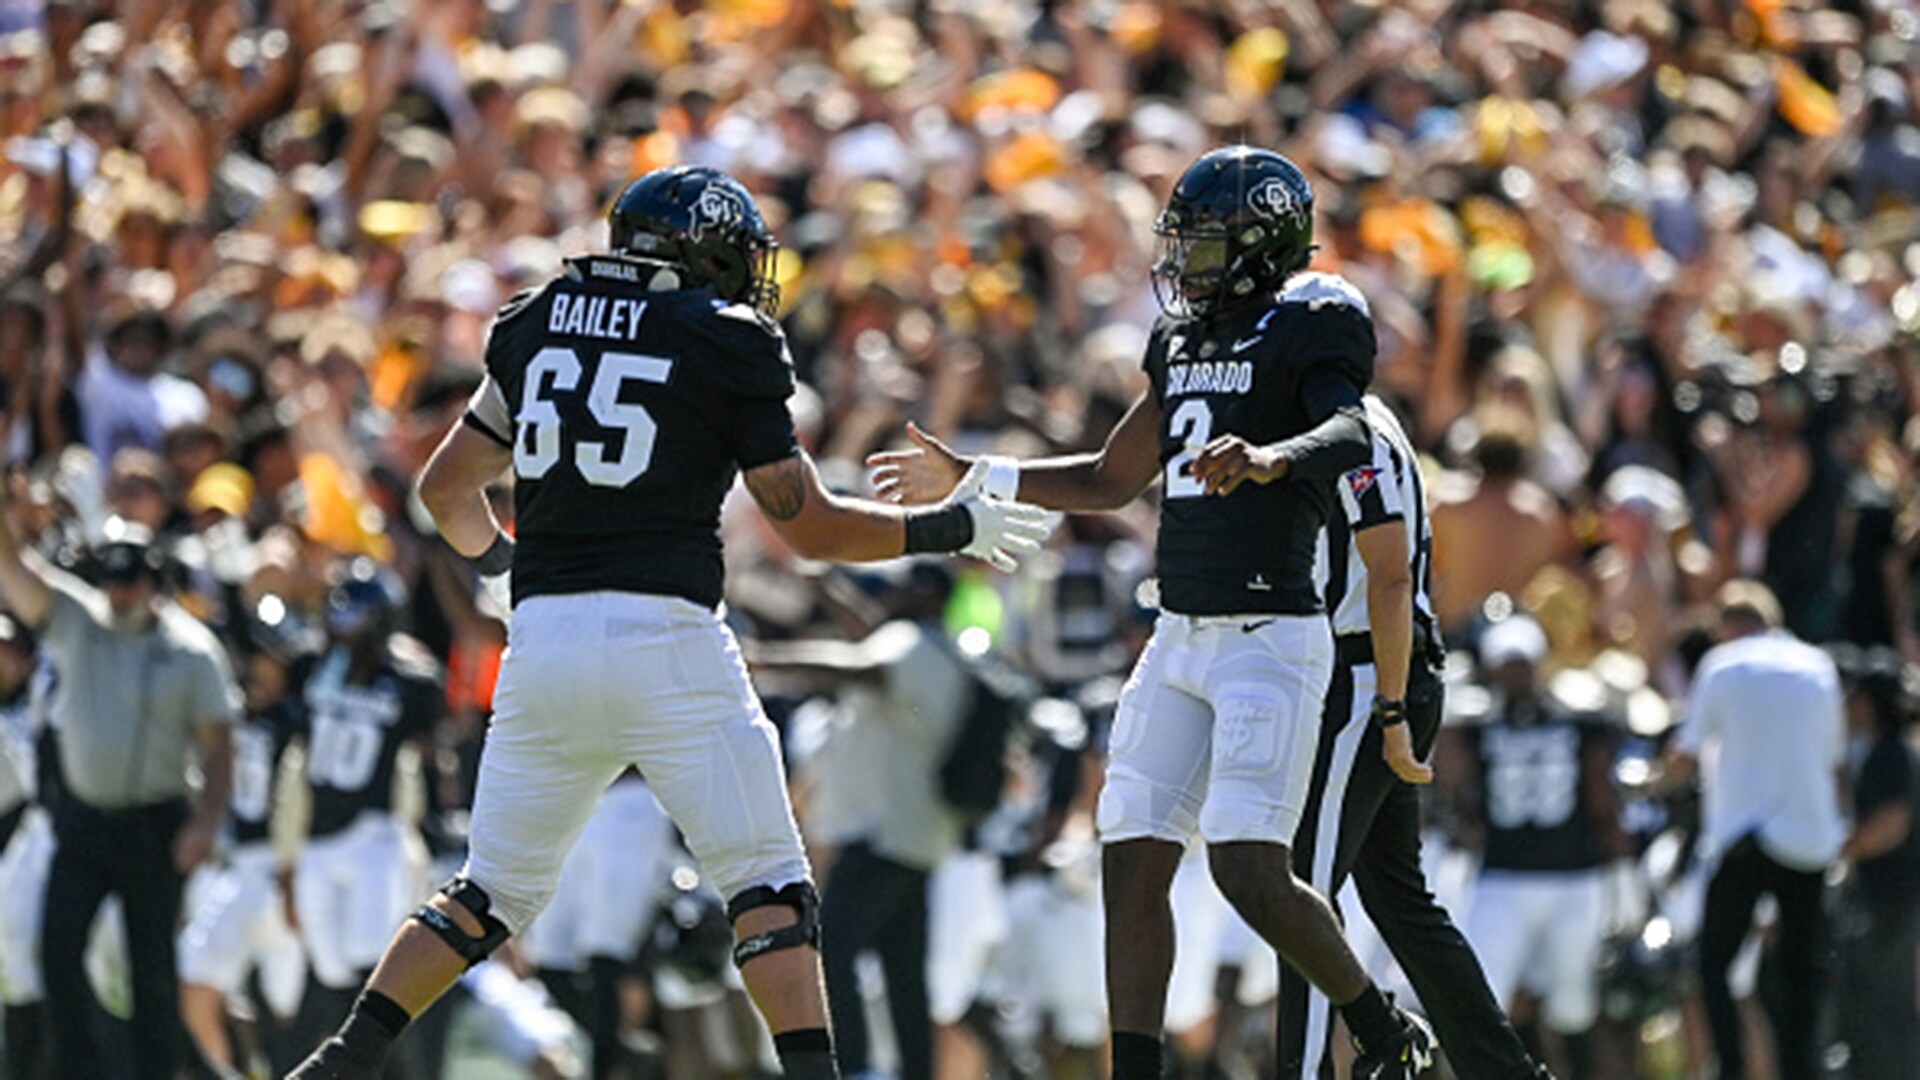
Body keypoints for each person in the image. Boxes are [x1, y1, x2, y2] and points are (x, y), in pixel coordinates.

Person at [286, 163, 1051, 1080]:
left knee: (486, 892)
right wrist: (950, 524)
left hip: (545, 645)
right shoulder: (727, 338)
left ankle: (342, 1059)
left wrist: (504, 569)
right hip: (668, 638)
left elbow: (444, 491)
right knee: (769, 884)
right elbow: (806, 529)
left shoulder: (536, 321)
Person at [868, 145, 1436, 1080]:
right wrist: (977, 476)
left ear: (1262, 244)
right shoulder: (1181, 341)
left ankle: (1381, 1027)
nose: (1185, 264)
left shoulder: (1314, 317)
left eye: (1207, 244)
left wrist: (1271, 456)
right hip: (1177, 633)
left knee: (1248, 870)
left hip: (1271, 636)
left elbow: (1348, 427)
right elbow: (1108, 475)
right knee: (1129, 855)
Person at [1277, 396, 1550, 1080]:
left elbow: (1391, 577)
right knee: (1400, 899)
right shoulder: (1382, 419)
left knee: (1298, 891)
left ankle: (1323, 1062)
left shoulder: (1340, 432)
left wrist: (1391, 709)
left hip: (1370, 674)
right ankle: (1504, 1071)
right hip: (1396, 671)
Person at [0, 513, 240, 1080]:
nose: (118, 591)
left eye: (130, 579)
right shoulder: (78, 621)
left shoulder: (189, 649)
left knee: (150, 968)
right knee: (58, 947)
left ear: (155, 580)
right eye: (110, 578)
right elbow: (15, 569)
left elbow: (219, 746)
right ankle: (74, 1071)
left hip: (155, 824)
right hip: (83, 823)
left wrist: (205, 824)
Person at [747, 562, 976, 1080]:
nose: (890, 592)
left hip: (882, 836)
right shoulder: (938, 651)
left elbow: (859, 664)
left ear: (923, 592)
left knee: (830, 950)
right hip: (919, 836)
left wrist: (767, 658)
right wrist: (825, 587)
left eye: (901, 585)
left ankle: (852, 1070)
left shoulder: (909, 644)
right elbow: (868, 634)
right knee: (903, 971)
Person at [1666, 581, 1844, 1080]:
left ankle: (1733, 1067)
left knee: (1714, 964)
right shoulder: (1819, 665)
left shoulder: (1722, 666)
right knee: (1802, 970)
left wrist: (1654, 777)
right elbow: (1830, 759)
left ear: (1726, 625)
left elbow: (1687, 752)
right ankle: (1803, 1067)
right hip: (1810, 838)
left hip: (1745, 839)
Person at [1452, 612, 1629, 1079]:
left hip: (1574, 878)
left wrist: (1622, 877)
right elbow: (1453, 789)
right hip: (1504, 879)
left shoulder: (1580, 721)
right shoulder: (1474, 724)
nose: (1514, 674)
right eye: (1506, 664)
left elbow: (1601, 800)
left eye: (1521, 663)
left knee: (1575, 1006)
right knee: (1487, 997)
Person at [291, 558, 442, 1061]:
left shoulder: (408, 680)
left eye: (356, 617)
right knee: (331, 975)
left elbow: (431, 749)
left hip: (373, 837)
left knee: (373, 976)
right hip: (315, 841)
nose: (344, 627)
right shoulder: (311, 668)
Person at [178, 615, 308, 1078]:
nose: (257, 669)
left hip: (287, 872)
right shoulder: (231, 714)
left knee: (292, 1013)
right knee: (196, 983)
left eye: (267, 660)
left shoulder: (302, 720)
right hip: (238, 871)